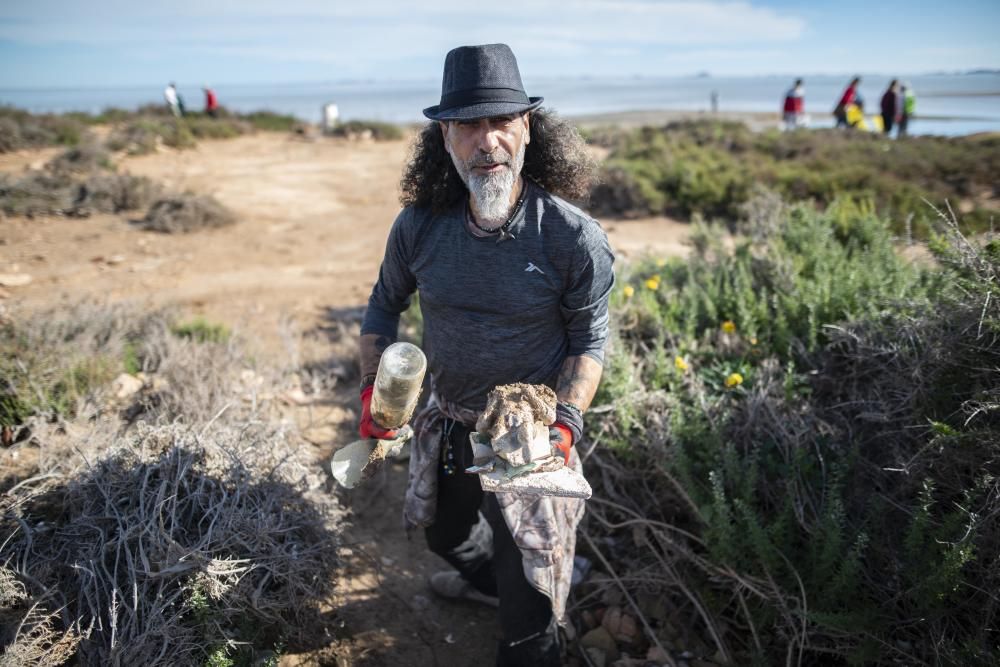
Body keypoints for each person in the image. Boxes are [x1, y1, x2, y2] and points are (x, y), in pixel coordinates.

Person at [358, 43, 614, 666]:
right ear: (444, 137)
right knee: (445, 536)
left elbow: (590, 339)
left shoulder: (570, 236)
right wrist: (374, 392)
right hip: (450, 417)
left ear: (527, 128)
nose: (487, 139)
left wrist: (565, 424)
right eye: (468, 123)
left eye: (501, 120)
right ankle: (491, 591)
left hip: (531, 442)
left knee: (526, 622)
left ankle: (529, 624)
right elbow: (381, 306)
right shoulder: (419, 226)